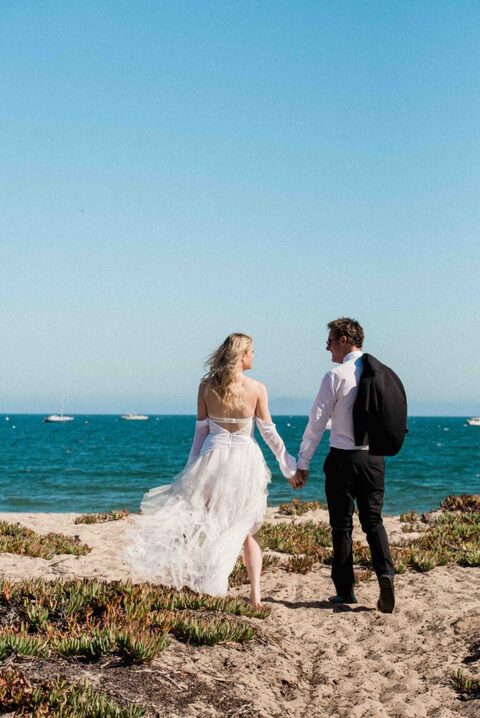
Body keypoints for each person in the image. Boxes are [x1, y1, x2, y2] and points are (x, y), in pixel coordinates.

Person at [125, 333, 296, 607]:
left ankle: (208, 585)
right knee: (246, 530)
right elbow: (269, 433)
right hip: (243, 463)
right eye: (251, 351)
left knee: (210, 524)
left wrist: (192, 469)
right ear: (241, 356)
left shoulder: (206, 387)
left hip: (211, 460)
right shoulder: (256, 389)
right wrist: (289, 467)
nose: (254, 356)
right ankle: (255, 596)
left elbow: (200, 433)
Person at [291, 318, 395, 613]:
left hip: (342, 459)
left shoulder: (335, 376)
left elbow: (316, 424)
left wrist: (303, 463)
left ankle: (345, 591)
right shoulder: (382, 374)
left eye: (330, 342)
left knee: (341, 526)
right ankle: (385, 575)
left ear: (345, 339)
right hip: (374, 458)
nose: (328, 348)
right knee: (374, 522)